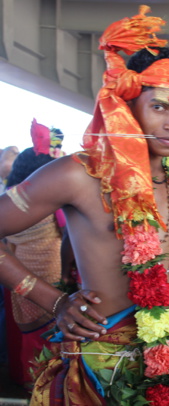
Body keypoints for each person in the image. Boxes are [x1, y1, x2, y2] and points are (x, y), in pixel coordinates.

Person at [0, 6, 169, 405]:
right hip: (100, 368)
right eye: (159, 107)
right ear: (127, 107)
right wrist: (53, 301)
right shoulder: (79, 175)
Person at [3, 121, 66, 389]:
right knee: (45, 335)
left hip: (13, 274)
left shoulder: (10, 198)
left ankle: (22, 378)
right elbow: (68, 235)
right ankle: (42, 385)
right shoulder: (50, 202)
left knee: (19, 330)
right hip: (47, 277)